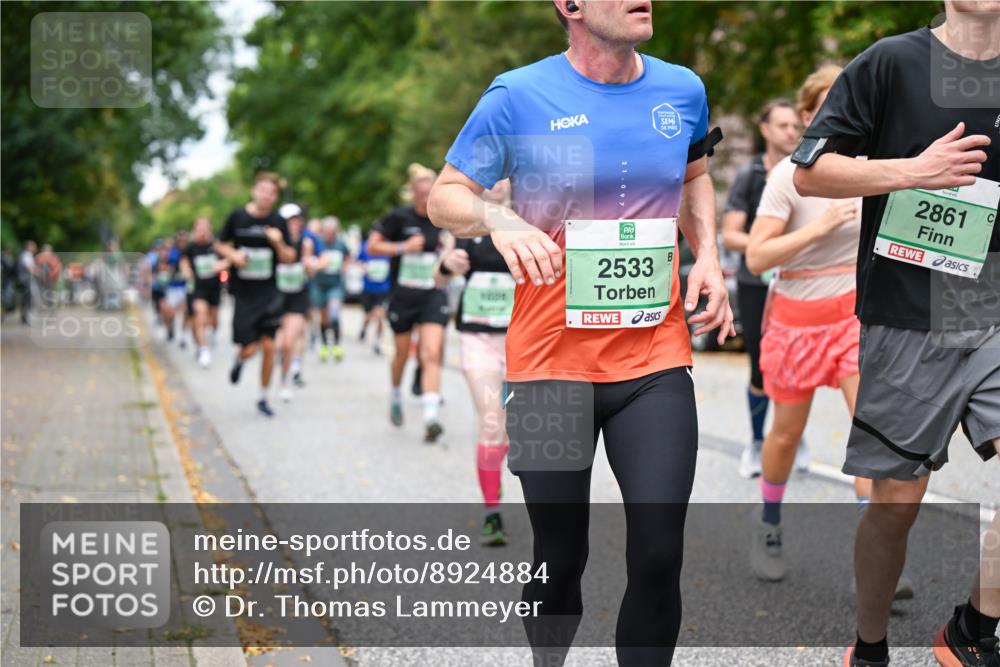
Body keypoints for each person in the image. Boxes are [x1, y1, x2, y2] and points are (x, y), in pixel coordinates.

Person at [428, 0, 731, 662]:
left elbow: (696, 175)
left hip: (653, 356)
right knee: (560, 556)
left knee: (659, 551)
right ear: (570, 6)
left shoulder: (682, 89)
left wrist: (706, 254)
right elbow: (444, 196)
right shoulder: (518, 95)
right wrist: (499, 219)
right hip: (547, 366)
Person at [789, 3, 1000, 664]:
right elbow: (812, 171)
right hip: (908, 314)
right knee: (895, 504)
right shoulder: (890, 62)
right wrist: (913, 169)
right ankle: (870, 641)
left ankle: (973, 626)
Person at [742, 65, 889, 586]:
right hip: (794, 322)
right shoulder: (789, 176)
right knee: (785, 435)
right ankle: (770, 523)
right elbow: (757, 257)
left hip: (853, 317)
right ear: (809, 116)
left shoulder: (873, 165)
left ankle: (872, 555)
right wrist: (821, 227)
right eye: (832, 103)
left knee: (871, 430)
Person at [722, 98, 803, 478]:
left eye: (795, 126)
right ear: (765, 129)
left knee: (797, 363)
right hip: (757, 283)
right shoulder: (751, 174)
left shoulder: (807, 169)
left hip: (798, 280)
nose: (791, 132)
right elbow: (731, 235)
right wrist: (768, 242)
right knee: (761, 366)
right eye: (783, 125)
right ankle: (756, 443)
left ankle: (790, 433)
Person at [439, 180, 515, 546]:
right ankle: (492, 512)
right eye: (492, 174)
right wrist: (446, 264)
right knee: (491, 421)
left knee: (517, 430)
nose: (498, 183)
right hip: (478, 340)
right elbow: (437, 277)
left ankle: (496, 462)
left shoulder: (529, 220)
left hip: (522, 341)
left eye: (506, 174)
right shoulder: (464, 226)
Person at [369, 164, 451, 442]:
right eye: (421, 194)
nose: (426, 199)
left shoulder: (444, 220)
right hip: (403, 296)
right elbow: (372, 246)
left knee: (430, 352)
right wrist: (402, 247)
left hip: (433, 294)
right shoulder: (398, 218)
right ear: (413, 193)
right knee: (402, 354)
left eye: (431, 193)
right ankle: (395, 394)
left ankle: (430, 418)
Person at [215, 172, 295, 417]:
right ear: (254, 191)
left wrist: (278, 242)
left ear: (275, 197)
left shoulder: (278, 221)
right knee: (250, 348)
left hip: (269, 294)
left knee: (270, 346)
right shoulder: (237, 217)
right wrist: (234, 256)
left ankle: (262, 397)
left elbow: (290, 258)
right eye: (262, 190)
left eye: (271, 193)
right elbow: (219, 243)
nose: (266, 196)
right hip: (244, 294)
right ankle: (240, 359)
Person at [275, 203, 315, 402]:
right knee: (279, 344)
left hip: (298, 298)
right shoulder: (274, 242)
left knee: (289, 342)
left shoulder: (306, 243)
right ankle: (286, 367)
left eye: (296, 219)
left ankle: (284, 381)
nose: (293, 223)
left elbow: (312, 268)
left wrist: (310, 266)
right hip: (277, 298)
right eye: (289, 220)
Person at [180, 217, 227, 368]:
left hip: (214, 288)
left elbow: (229, 259)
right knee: (200, 316)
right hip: (198, 288)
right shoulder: (191, 247)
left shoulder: (216, 245)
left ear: (210, 229)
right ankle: (204, 350)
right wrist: (186, 270)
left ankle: (212, 335)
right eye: (199, 228)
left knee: (213, 320)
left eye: (204, 228)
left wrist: (222, 265)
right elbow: (184, 260)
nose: (202, 231)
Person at [312, 216, 351, 362]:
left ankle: (336, 345)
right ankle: (324, 345)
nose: (329, 235)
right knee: (324, 317)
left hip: (335, 285)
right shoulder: (318, 243)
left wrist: (345, 266)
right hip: (320, 285)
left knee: (334, 314)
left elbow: (348, 256)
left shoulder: (340, 244)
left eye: (332, 232)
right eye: (327, 232)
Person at [357, 237, 392, 356]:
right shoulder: (366, 245)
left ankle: (377, 342)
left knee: (380, 315)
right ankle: (364, 327)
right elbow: (358, 260)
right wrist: (363, 266)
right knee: (369, 315)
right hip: (368, 288)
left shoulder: (389, 247)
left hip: (383, 289)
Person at [17, 240, 36, 324]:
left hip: (24, 279)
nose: (34, 248)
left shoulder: (25, 255)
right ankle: (26, 317)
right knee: (27, 298)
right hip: (25, 280)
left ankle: (24, 317)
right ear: (28, 247)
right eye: (33, 246)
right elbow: (30, 268)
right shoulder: (26, 255)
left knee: (26, 299)